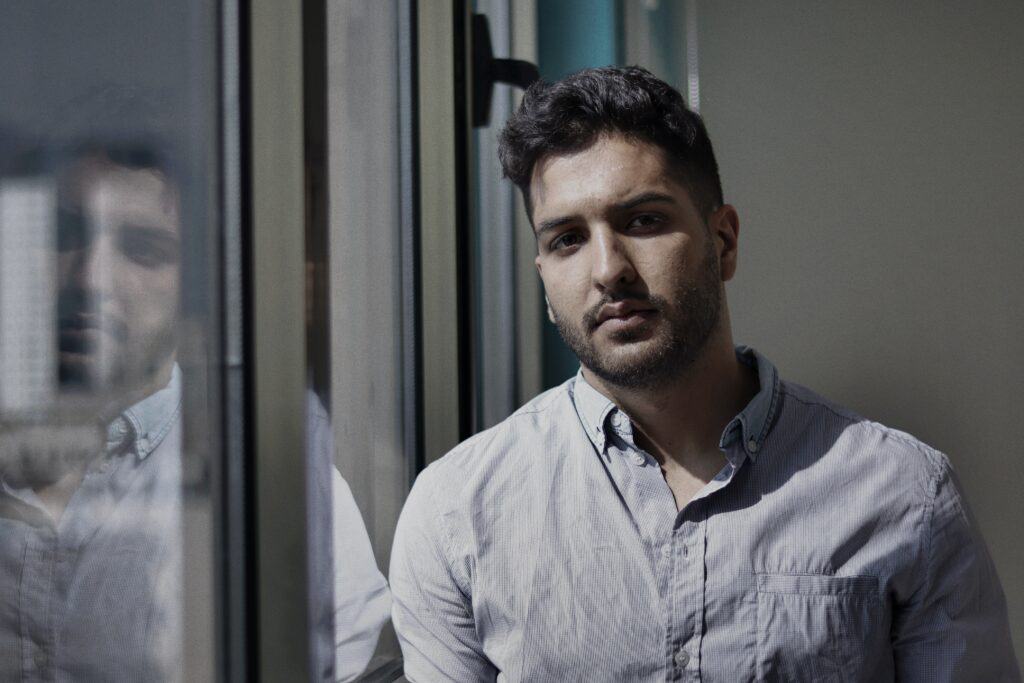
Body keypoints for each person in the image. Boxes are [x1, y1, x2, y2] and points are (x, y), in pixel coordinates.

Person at [389, 66, 1020, 682]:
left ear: (723, 242)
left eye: (642, 221)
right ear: (544, 274)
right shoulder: (457, 514)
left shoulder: (905, 493)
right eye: (567, 239)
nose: (609, 269)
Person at [0, 142, 389, 680]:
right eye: (65, 235)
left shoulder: (270, 472)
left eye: (143, 249)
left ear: (195, 285)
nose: (90, 278)